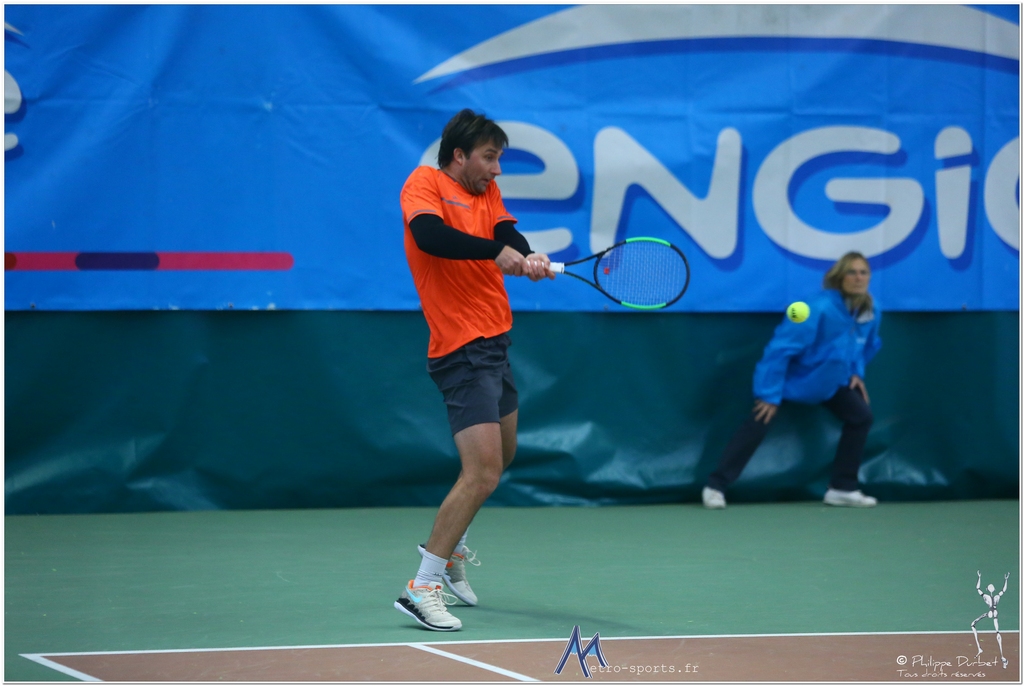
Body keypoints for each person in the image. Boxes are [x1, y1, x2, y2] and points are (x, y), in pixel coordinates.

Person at [394, 109, 554, 631]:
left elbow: (507, 231)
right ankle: (422, 585)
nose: (497, 169)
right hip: (460, 347)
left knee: (501, 458)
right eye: (489, 157)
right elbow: (430, 237)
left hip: (495, 342)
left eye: (499, 158)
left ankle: (453, 548)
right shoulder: (425, 183)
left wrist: (529, 256)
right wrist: (497, 252)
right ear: (459, 155)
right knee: (481, 471)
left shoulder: (487, 193)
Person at [702, 251, 882, 509]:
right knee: (759, 421)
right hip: (791, 380)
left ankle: (842, 488)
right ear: (838, 278)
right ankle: (715, 487)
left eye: (863, 272)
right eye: (851, 272)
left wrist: (856, 373)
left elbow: (865, 345)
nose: (858, 278)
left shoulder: (871, 310)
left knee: (861, 416)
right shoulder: (812, 308)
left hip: (830, 382)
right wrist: (769, 394)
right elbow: (779, 350)